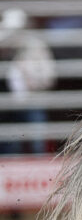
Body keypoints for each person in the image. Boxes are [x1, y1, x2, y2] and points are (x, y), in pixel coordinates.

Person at [0, 8, 56, 154]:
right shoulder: (4, 48)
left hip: (32, 100)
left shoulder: (36, 47)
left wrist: (31, 82)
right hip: (8, 104)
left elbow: (48, 77)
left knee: (36, 135)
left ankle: (39, 162)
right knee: (10, 140)